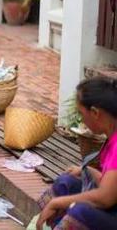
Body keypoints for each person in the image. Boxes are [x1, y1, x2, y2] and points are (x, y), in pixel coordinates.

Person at [36, 78, 117, 229]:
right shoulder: (111, 139)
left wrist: (56, 202)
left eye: (81, 114)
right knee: (65, 183)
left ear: (95, 113)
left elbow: (106, 198)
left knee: (80, 211)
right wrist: (87, 170)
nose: (82, 120)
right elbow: (112, 187)